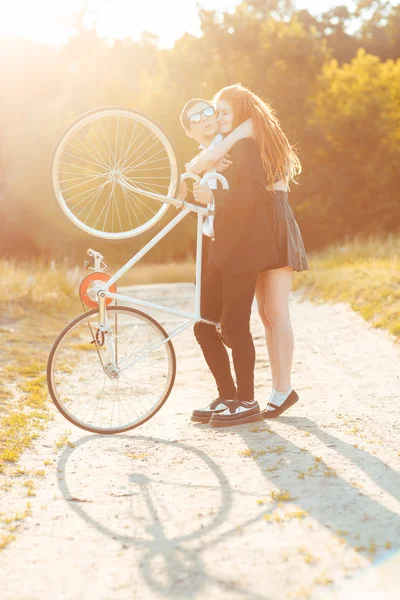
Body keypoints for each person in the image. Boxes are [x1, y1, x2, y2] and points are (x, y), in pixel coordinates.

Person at [187, 84, 308, 419]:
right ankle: (276, 390)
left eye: (223, 111)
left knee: (276, 310)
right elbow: (208, 160)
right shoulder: (241, 136)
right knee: (265, 313)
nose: (218, 117)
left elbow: (209, 158)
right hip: (257, 223)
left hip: (274, 219)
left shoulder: (249, 128)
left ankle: (282, 389)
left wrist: (210, 162)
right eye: (216, 112)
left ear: (239, 111)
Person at [179, 97, 280, 427]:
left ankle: (247, 401)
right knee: (203, 325)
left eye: (209, 110)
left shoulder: (240, 147)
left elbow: (254, 194)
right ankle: (227, 396)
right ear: (189, 131)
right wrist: (187, 186)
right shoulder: (202, 161)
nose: (206, 117)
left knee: (234, 324)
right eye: (196, 117)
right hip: (214, 249)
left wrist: (216, 197)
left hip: (243, 247)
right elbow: (185, 203)